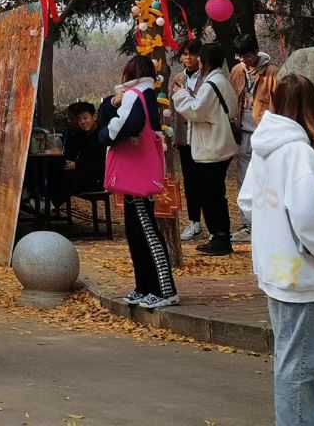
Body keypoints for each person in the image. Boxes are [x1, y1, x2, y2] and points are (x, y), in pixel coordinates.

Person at [238, 75, 314, 426]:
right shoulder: (300, 152)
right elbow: (310, 217)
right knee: (304, 366)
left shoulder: (265, 147)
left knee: (291, 361)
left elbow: (247, 201)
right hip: (300, 274)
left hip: (274, 268)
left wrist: (272, 229)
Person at [100, 54, 178, 308]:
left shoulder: (136, 94)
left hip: (136, 175)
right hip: (139, 174)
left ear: (131, 72)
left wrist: (105, 134)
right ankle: (144, 286)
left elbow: (127, 125)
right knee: (136, 233)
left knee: (146, 231)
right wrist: (113, 102)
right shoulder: (147, 94)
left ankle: (164, 290)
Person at [173, 42, 240, 256]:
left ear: (205, 60)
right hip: (219, 144)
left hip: (211, 147)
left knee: (210, 195)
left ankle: (219, 238)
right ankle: (219, 236)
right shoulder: (222, 81)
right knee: (215, 194)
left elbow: (195, 111)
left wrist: (180, 94)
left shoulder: (212, 84)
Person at [229, 35, 277, 241]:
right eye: (240, 57)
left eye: (247, 56)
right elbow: (232, 100)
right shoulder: (237, 71)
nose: (244, 60)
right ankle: (248, 225)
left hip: (264, 132)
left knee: (265, 179)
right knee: (243, 179)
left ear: (256, 52)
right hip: (243, 131)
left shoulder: (271, 72)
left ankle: (268, 222)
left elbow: (277, 103)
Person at [172, 37, 206, 240]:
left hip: (204, 136)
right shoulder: (178, 78)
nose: (188, 58)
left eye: (192, 54)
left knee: (205, 181)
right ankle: (194, 222)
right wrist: (175, 136)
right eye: (185, 54)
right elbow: (174, 109)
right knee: (190, 181)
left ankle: (212, 224)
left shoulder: (208, 77)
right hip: (185, 138)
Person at [61, 101, 106, 196]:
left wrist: (77, 165)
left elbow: (102, 164)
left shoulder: (102, 136)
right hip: (82, 175)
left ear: (94, 117)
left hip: (97, 179)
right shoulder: (80, 134)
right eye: (79, 119)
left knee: (64, 182)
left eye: (85, 118)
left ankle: (53, 202)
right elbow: (70, 154)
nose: (82, 122)